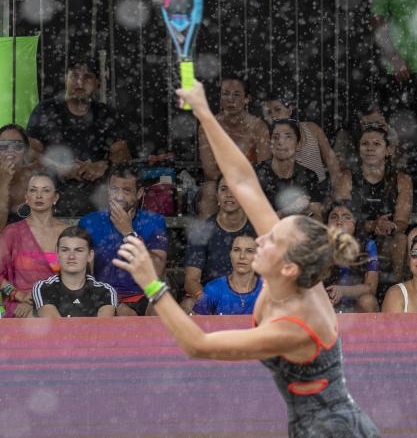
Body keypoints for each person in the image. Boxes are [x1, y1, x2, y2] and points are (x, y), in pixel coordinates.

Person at [115, 80, 379, 437]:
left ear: (289, 267)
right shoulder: (290, 267)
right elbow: (242, 180)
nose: (261, 237)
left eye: (272, 240)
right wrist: (205, 113)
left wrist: (151, 282)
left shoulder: (295, 324)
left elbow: (198, 345)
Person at [26, 58, 131, 216]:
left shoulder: (106, 114)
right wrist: (58, 167)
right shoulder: (46, 110)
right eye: (74, 76)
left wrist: (103, 164)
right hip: (50, 196)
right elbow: (28, 152)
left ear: (97, 82)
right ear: (66, 79)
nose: (80, 82)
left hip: (97, 199)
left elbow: (123, 154)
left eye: (87, 77)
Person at [78, 164, 168, 316]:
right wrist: (115, 303)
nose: (119, 196)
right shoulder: (89, 222)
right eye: (114, 189)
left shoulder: (154, 221)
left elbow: (157, 269)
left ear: (139, 193)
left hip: (144, 295)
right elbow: (81, 276)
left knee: (163, 297)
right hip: (102, 298)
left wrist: (128, 232)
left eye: (126, 190)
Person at [338, 124, 412, 281]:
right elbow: (342, 220)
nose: (370, 148)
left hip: (386, 238)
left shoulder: (402, 180)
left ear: (388, 150)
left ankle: (397, 287)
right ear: (359, 149)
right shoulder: (347, 178)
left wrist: (391, 226)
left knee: (400, 240)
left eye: (376, 144)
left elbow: (402, 221)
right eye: (365, 144)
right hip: (356, 237)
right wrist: (372, 225)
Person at [197, 77, 271, 218]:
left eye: (236, 94)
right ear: (220, 97)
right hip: (220, 182)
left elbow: (263, 167)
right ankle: (208, 232)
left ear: (246, 99)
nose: (230, 99)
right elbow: (210, 171)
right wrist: (230, 184)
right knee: (209, 191)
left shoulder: (258, 127)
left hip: (251, 183)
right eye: (226, 94)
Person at [182, 176, 256, 313]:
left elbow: (270, 276)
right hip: (212, 295)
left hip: (251, 295)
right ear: (217, 196)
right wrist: (209, 301)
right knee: (188, 305)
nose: (229, 194)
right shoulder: (202, 231)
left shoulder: (257, 229)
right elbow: (191, 280)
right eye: (223, 189)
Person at [0, 171, 69, 317]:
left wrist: (42, 299)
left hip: (60, 301)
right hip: (20, 305)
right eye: (33, 190)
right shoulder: (12, 232)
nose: (39, 195)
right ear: (26, 197)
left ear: (55, 198)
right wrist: (17, 294)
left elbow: (79, 276)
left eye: (46, 190)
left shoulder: (68, 232)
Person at [262, 89, 342, 192]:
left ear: (289, 110)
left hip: (319, 187)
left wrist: (336, 189)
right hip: (287, 191)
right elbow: (266, 170)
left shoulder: (311, 128)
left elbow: (330, 159)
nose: (273, 116)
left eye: (277, 109)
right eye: (269, 112)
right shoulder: (268, 138)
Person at [32, 226, 117, 317]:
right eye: (65, 250)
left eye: (79, 250)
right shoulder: (44, 287)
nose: (71, 256)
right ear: (57, 254)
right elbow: (54, 324)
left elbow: (102, 325)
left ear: (90, 255)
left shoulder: (105, 291)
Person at [255, 119, 323, 218]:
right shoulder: (257, 173)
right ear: (270, 143)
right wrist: (289, 211)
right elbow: (254, 219)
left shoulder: (309, 176)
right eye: (276, 137)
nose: (280, 142)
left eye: (288, 137)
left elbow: (317, 218)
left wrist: (309, 210)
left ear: (298, 144)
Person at [323, 201, 379, 314]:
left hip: (356, 307)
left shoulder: (368, 245)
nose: (339, 221)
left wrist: (343, 291)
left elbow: (371, 288)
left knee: (368, 301)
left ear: (356, 223)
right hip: (326, 304)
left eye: (346, 217)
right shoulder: (319, 246)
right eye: (334, 217)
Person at [193, 233, 263, 316]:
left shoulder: (266, 290)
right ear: (230, 254)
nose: (242, 256)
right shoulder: (213, 289)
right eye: (237, 250)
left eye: (249, 251)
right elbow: (198, 322)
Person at [0, 124, 38, 230]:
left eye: (17, 146)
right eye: (3, 146)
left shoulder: (34, 179)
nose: (10, 152)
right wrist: (3, 183)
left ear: (25, 150)